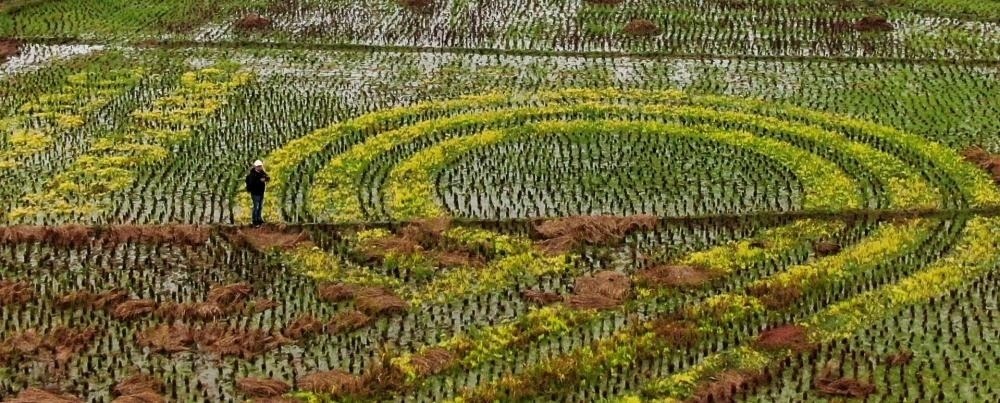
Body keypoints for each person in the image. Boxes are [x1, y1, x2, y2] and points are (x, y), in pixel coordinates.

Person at [246, 160, 270, 227]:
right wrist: (260, 181)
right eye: (258, 166)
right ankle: (255, 220)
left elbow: (268, 178)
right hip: (255, 193)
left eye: (260, 166)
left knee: (260, 206)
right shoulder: (252, 175)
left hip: (261, 192)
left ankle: (259, 219)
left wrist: (265, 179)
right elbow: (252, 184)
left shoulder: (262, 172)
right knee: (256, 207)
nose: (260, 167)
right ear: (255, 167)